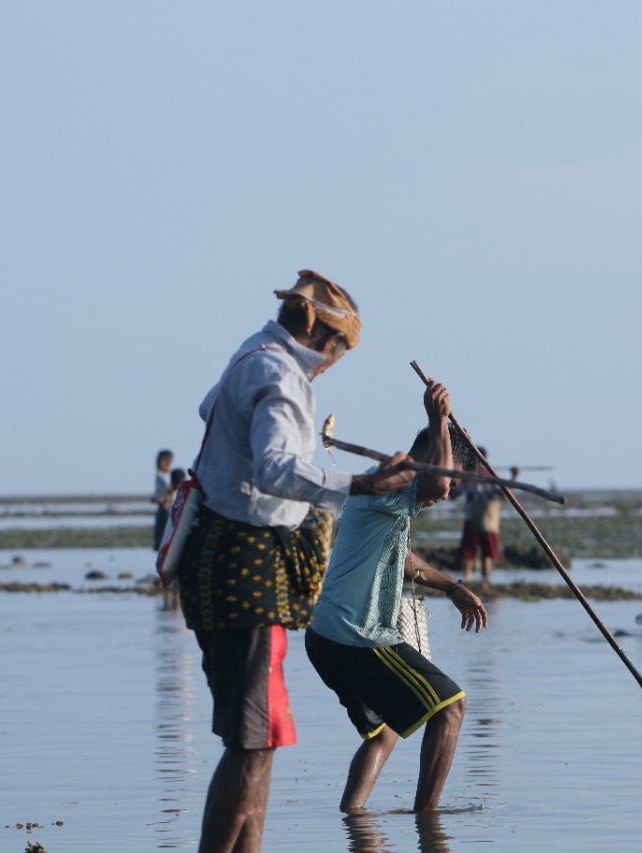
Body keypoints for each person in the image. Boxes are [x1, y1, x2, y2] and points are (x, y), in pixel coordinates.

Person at [176, 270, 415, 853]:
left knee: (262, 735)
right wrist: (362, 483)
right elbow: (275, 468)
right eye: (334, 346)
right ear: (310, 325)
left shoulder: (251, 355)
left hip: (230, 559)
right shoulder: (278, 372)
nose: (331, 360)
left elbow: (209, 407)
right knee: (252, 739)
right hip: (244, 562)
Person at [306, 380, 488, 813]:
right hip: (355, 636)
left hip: (328, 636)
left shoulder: (388, 495)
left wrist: (452, 586)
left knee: (384, 731)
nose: (448, 497)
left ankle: (354, 820)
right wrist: (437, 419)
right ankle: (428, 822)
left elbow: (402, 556)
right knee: (451, 706)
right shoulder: (384, 484)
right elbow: (438, 486)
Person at [459, 447, 502, 581]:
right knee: (469, 549)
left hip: (487, 518)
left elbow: (504, 494)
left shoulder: (491, 475)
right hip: (472, 516)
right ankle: (468, 575)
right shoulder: (468, 476)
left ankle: (485, 578)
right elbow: (454, 494)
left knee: (487, 550)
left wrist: (514, 477)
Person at [152, 449, 174, 550]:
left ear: (167, 462)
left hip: (167, 510)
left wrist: (163, 500)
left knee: (166, 541)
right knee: (160, 541)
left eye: (159, 461)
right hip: (162, 509)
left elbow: (170, 491)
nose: (157, 463)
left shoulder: (169, 477)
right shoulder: (160, 476)